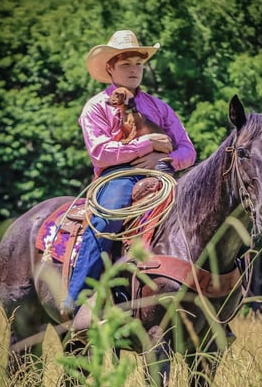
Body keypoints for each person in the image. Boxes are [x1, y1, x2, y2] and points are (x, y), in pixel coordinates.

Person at [61, 29, 197, 319]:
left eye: (138, 64)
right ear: (110, 68)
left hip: (163, 172)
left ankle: (200, 295)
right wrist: (146, 145)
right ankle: (78, 297)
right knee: (109, 214)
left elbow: (189, 150)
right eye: (126, 65)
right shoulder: (97, 107)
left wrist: (165, 159)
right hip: (118, 176)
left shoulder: (159, 107)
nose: (134, 70)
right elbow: (99, 152)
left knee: (198, 212)